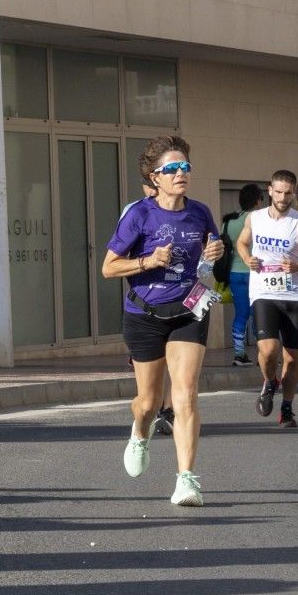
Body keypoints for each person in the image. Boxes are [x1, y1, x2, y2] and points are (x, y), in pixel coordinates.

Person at [101, 137, 226, 507]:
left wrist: (214, 252)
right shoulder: (139, 214)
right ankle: (140, 432)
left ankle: (186, 480)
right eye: (172, 168)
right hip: (145, 314)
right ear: (154, 177)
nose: (180, 173)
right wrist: (148, 261)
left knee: (185, 392)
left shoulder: (200, 212)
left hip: (188, 310)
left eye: (185, 167)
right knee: (149, 402)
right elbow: (108, 268)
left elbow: (206, 263)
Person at [236, 169, 298, 428]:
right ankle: (269, 381)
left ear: (293, 192)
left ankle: (287, 408)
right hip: (263, 293)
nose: (283, 198)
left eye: (288, 193)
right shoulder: (254, 218)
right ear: (270, 190)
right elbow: (242, 243)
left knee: (292, 357)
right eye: (278, 192)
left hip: (294, 295)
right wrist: (247, 259)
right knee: (268, 350)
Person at [123, 177, 175, 437]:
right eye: (150, 186)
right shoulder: (135, 211)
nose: (155, 191)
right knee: (148, 392)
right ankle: (148, 410)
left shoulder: (186, 210)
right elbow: (118, 259)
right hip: (145, 300)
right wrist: (148, 262)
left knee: (174, 358)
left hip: (179, 301)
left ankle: (169, 409)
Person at [219, 183, 263, 367]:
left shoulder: (228, 221)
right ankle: (264, 355)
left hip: (234, 273)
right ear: (258, 201)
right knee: (260, 314)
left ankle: (239, 354)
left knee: (241, 314)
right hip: (256, 273)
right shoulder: (259, 218)